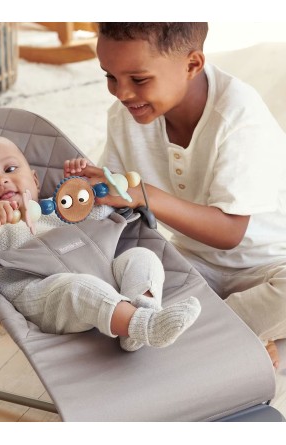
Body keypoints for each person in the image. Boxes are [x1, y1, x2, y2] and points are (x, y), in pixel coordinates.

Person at [87, 22, 286, 368]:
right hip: (191, 263)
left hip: (269, 264)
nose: (122, 93)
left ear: (192, 64)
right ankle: (234, 335)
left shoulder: (238, 116)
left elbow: (229, 232)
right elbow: (118, 208)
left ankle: (220, 335)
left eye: (138, 79)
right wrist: (92, 196)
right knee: (115, 277)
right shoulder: (125, 116)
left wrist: (144, 194)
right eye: (110, 77)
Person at [0, 135, 201, 352]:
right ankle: (145, 326)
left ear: (35, 181)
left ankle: (143, 311)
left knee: (142, 257)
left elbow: (103, 212)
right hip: (43, 294)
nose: (0, 181)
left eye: (10, 169)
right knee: (79, 288)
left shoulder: (58, 207)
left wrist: (87, 188)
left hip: (102, 272)